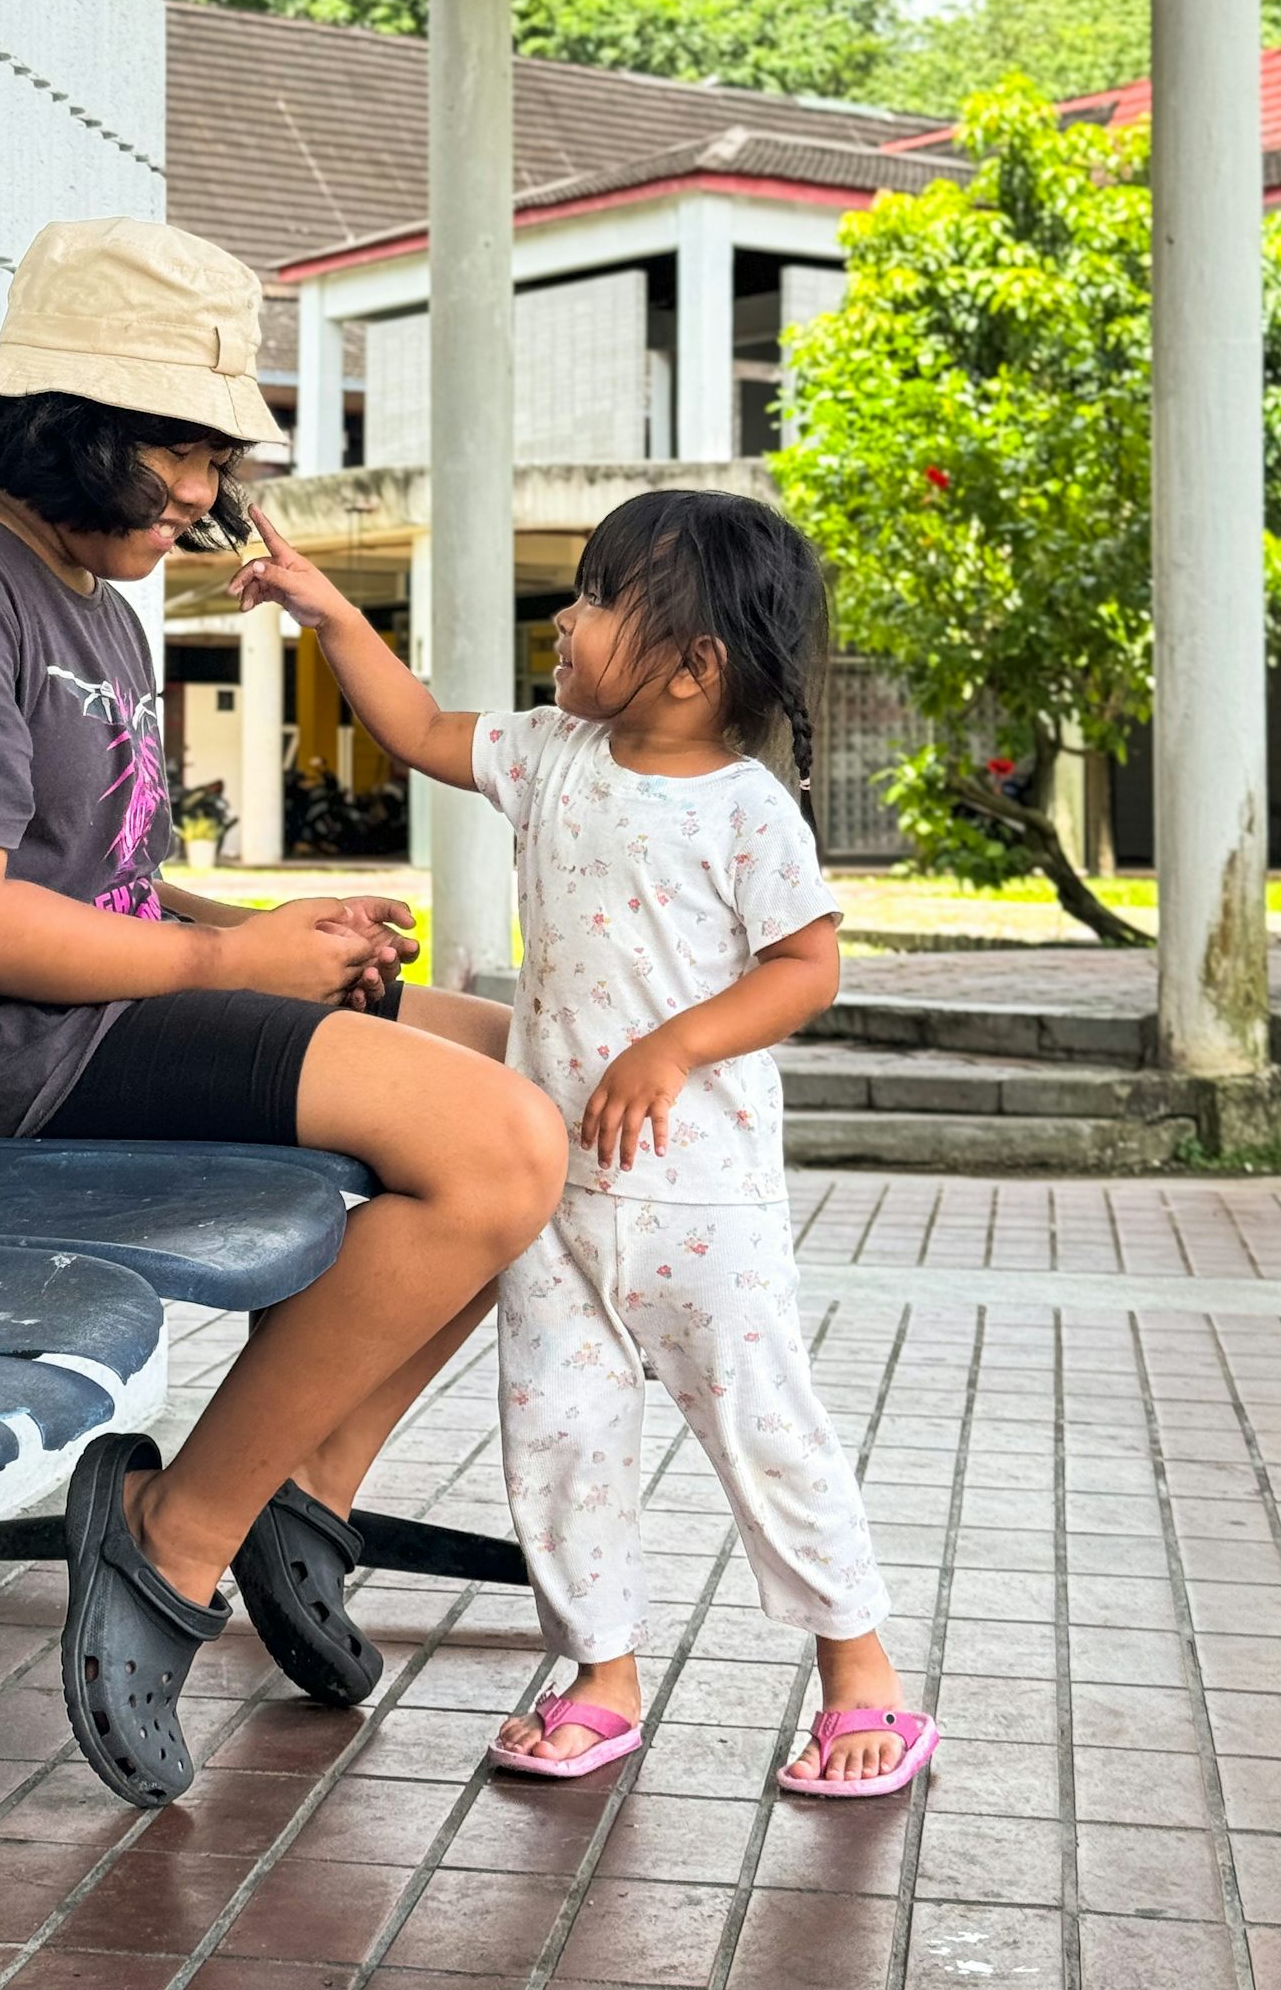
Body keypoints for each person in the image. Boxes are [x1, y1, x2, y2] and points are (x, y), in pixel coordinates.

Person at [0, 218, 566, 1808]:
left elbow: (101, 884)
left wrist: (267, 932)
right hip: (0, 1062)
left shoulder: (86, 592)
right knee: (493, 1141)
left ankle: (305, 1487)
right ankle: (173, 1537)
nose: (209, 495)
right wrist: (230, 969)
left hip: (94, 1015)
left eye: (216, 457)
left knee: (545, 1072)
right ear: (68, 428)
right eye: (183, 453)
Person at [236, 487, 937, 1799]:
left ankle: (863, 1679)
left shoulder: (743, 811)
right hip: (553, 1194)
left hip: (699, 1204)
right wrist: (331, 615)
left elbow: (809, 968)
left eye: (603, 599)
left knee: (764, 1434)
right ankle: (597, 1671)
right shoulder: (553, 750)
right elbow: (421, 727)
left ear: (693, 666)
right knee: (558, 1436)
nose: (568, 617)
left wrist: (671, 1047)